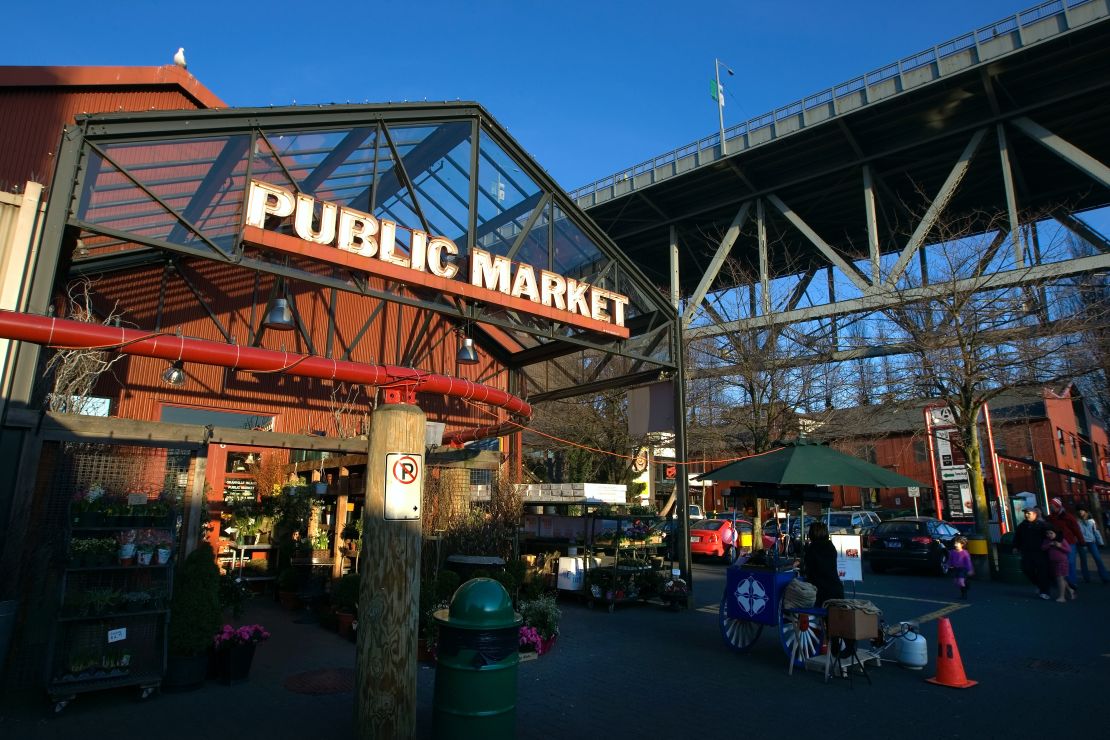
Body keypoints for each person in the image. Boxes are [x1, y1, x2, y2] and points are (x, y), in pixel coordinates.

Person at [1012, 506, 1052, 600]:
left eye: (1028, 513)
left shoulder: (1042, 525)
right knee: (1026, 569)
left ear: (1035, 514)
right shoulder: (1022, 525)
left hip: (1040, 552)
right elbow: (1017, 537)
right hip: (1027, 552)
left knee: (1043, 572)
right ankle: (1038, 584)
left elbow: (1052, 533)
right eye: (1025, 513)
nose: (1026, 515)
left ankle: (1045, 591)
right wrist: (1015, 546)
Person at [802, 522, 844, 607]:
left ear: (812, 534)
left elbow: (808, 569)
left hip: (820, 591)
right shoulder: (830, 546)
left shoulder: (812, 549)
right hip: (836, 589)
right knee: (832, 618)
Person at [1047, 497, 1083, 590]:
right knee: (1060, 563)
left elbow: (1076, 529)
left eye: (1052, 505)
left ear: (1057, 506)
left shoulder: (1067, 517)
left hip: (1069, 541)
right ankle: (1063, 582)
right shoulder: (1051, 518)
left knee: (1070, 563)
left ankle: (1072, 583)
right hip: (1058, 542)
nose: (1050, 507)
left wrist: (1081, 541)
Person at [1076, 507, 1110, 584]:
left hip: (1092, 541)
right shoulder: (1077, 522)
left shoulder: (1092, 521)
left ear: (1086, 512)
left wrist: (1101, 542)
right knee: (1083, 560)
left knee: (1098, 559)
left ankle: (1104, 577)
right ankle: (1086, 578)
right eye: (1079, 510)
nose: (1080, 512)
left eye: (1082, 510)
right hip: (1082, 542)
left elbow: (1096, 531)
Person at [1042, 528, 1076, 602]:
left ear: (1055, 533)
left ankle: (1062, 597)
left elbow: (1069, 550)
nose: (1049, 535)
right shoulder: (1047, 541)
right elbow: (1043, 548)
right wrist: (1049, 545)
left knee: (1060, 578)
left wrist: (1060, 546)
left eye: (1051, 533)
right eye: (1047, 533)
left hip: (1062, 561)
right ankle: (1070, 590)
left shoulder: (1061, 540)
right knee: (1060, 578)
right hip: (1053, 562)